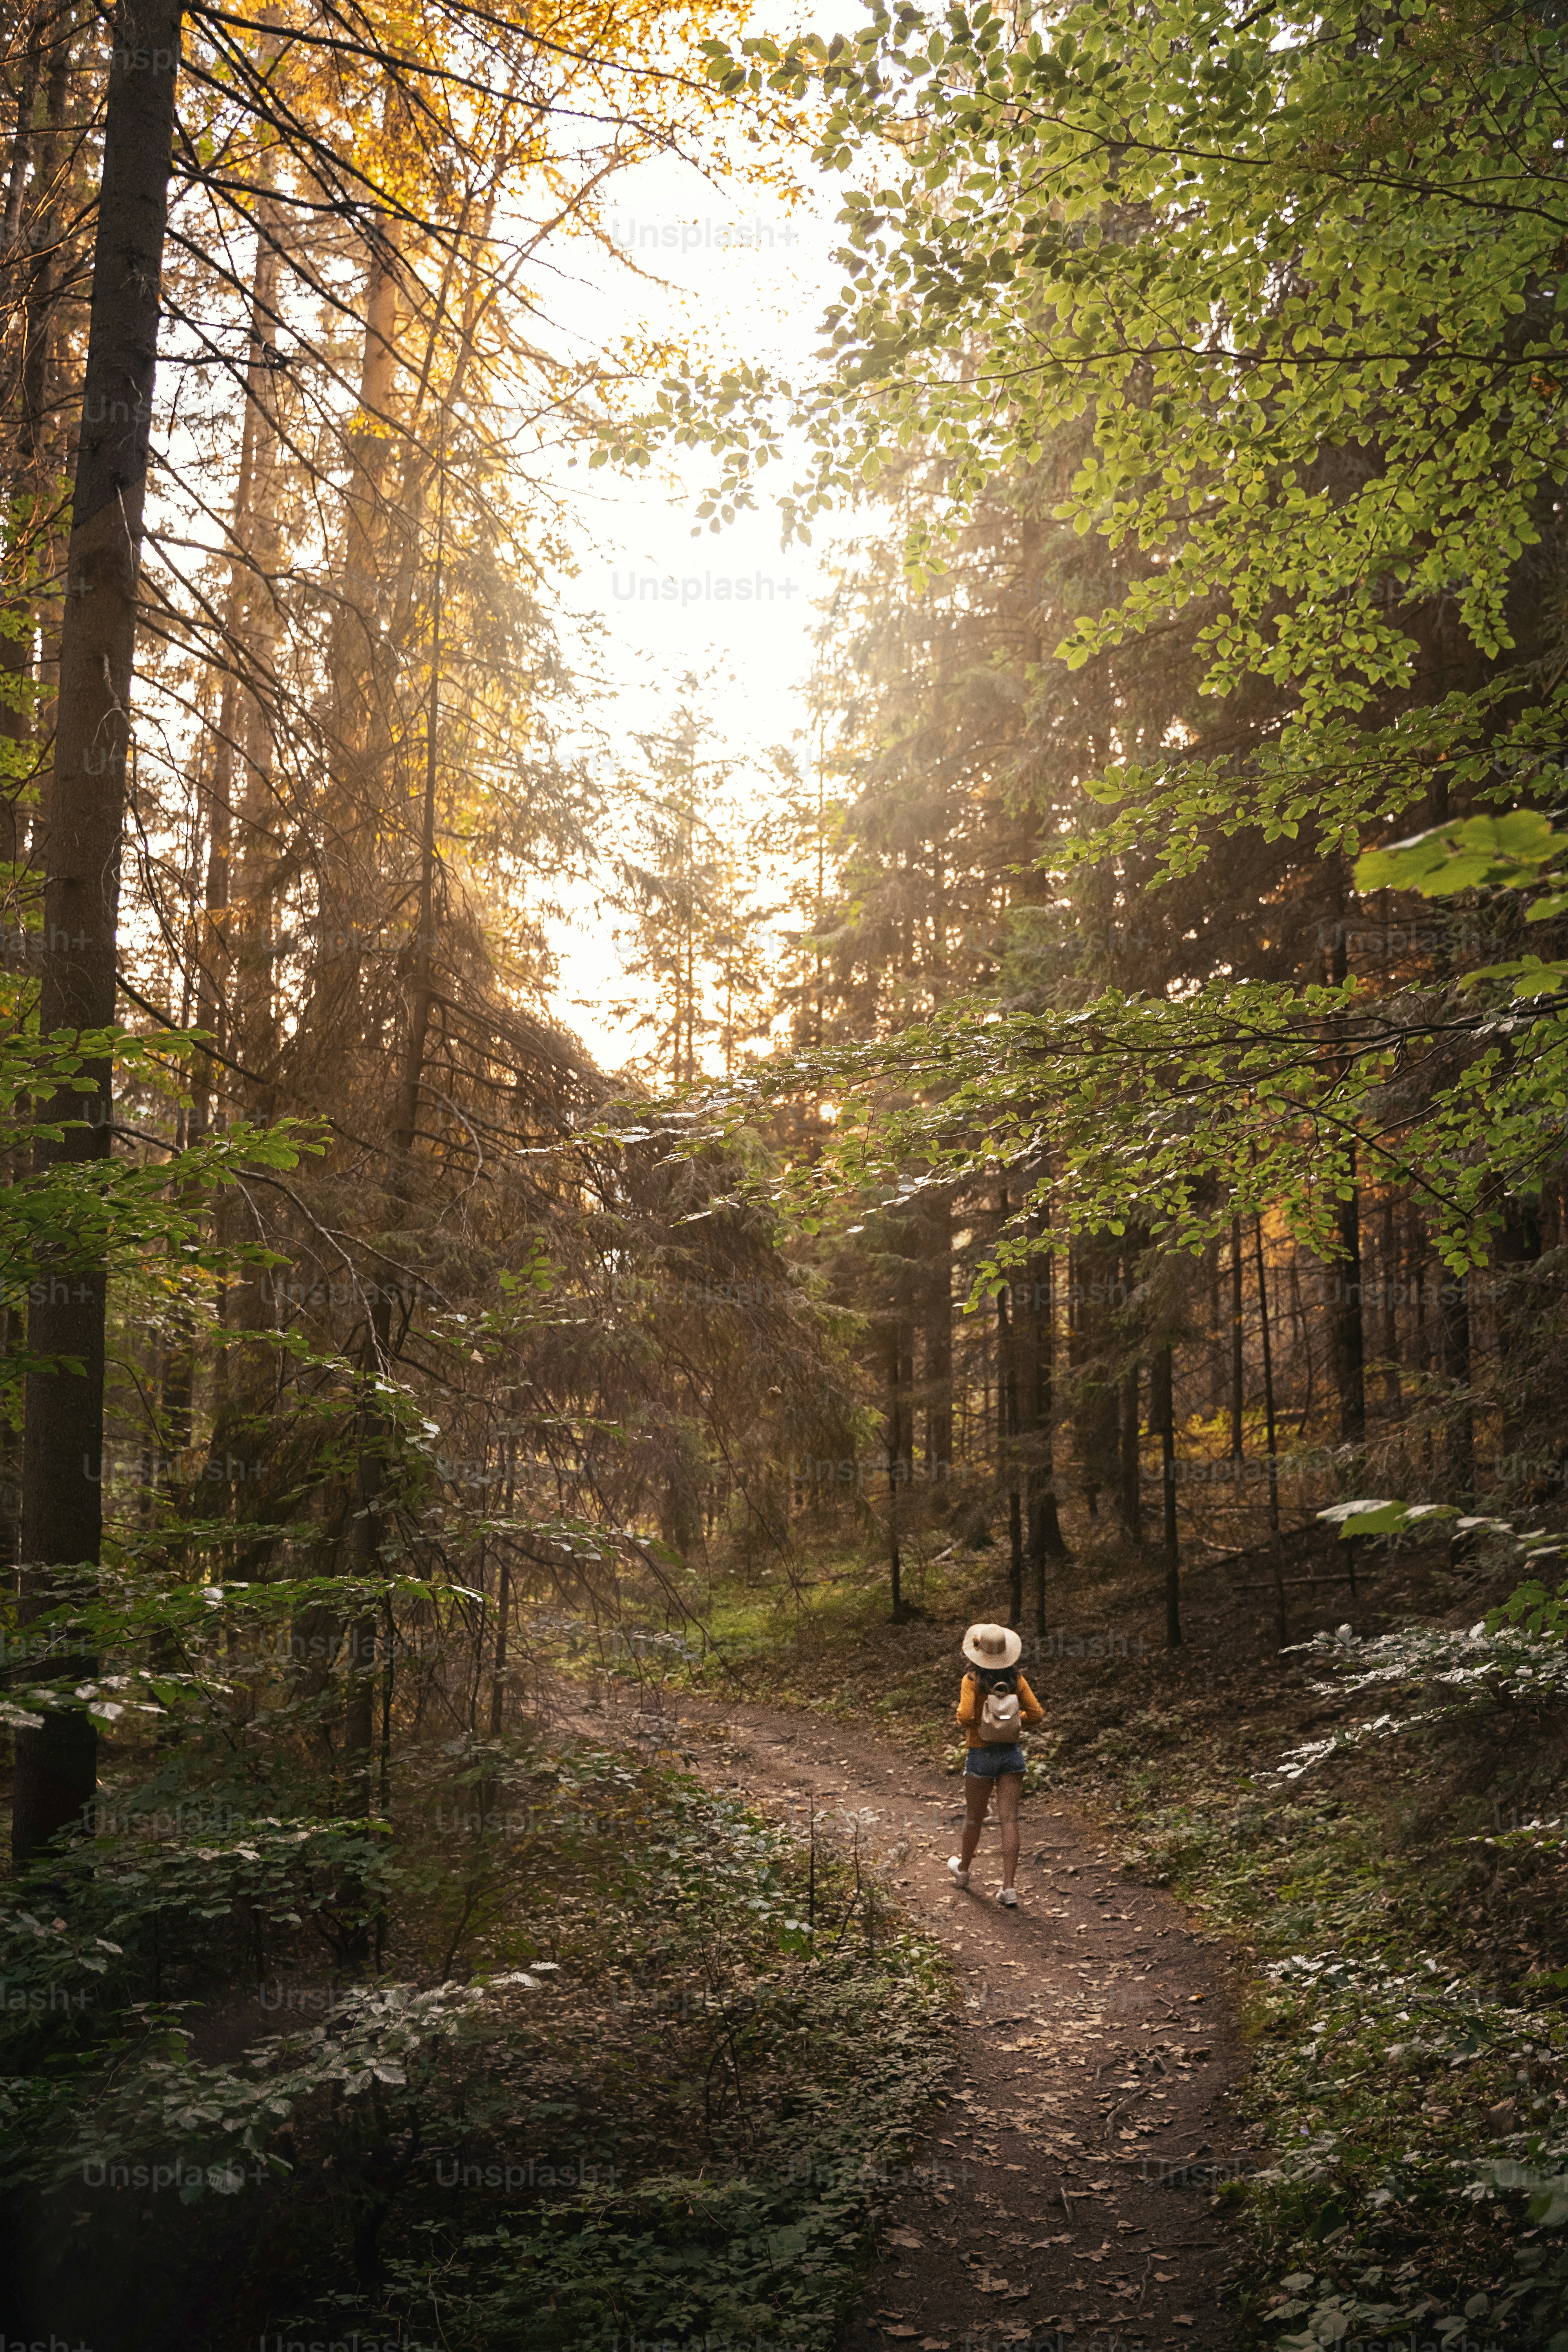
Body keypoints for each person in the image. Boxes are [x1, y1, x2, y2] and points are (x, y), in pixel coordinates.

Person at [947, 1622, 1043, 1907]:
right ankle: (1009, 1889)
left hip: (980, 1754)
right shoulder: (1016, 1679)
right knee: (1009, 1819)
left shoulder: (973, 1680)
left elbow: (964, 1717)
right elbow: (1036, 1714)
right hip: (1012, 1754)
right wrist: (1011, 1721)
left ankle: (963, 1872)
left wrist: (984, 1722)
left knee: (975, 1817)